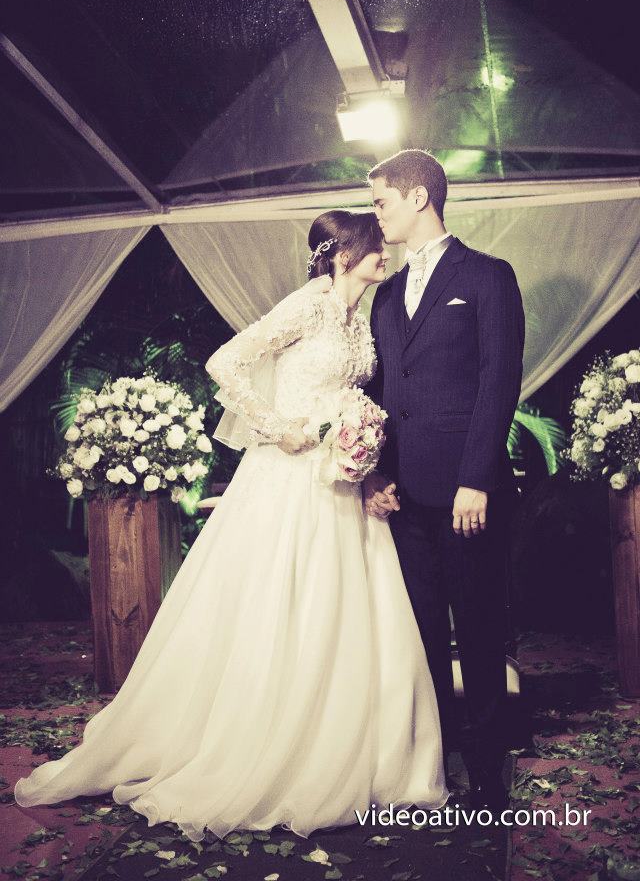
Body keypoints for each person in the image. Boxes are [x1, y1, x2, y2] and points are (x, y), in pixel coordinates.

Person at [14, 209, 450, 843]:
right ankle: (261, 742)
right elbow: (226, 362)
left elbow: (351, 393)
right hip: (289, 476)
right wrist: (279, 428)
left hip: (338, 481)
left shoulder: (362, 318)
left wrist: (359, 447)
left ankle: (343, 745)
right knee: (280, 603)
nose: (385, 253)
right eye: (374, 245)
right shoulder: (309, 305)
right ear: (342, 255)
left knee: (342, 607)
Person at [363, 150, 525, 813]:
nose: (376, 215)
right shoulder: (385, 293)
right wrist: (374, 473)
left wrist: (476, 478)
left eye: (381, 202)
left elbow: (499, 381)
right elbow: (376, 391)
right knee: (422, 632)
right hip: (402, 495)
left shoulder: (487, 276)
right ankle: (437, 760)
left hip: (466, 492)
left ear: (419, 197)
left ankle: (487, 770)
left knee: (479, 628)